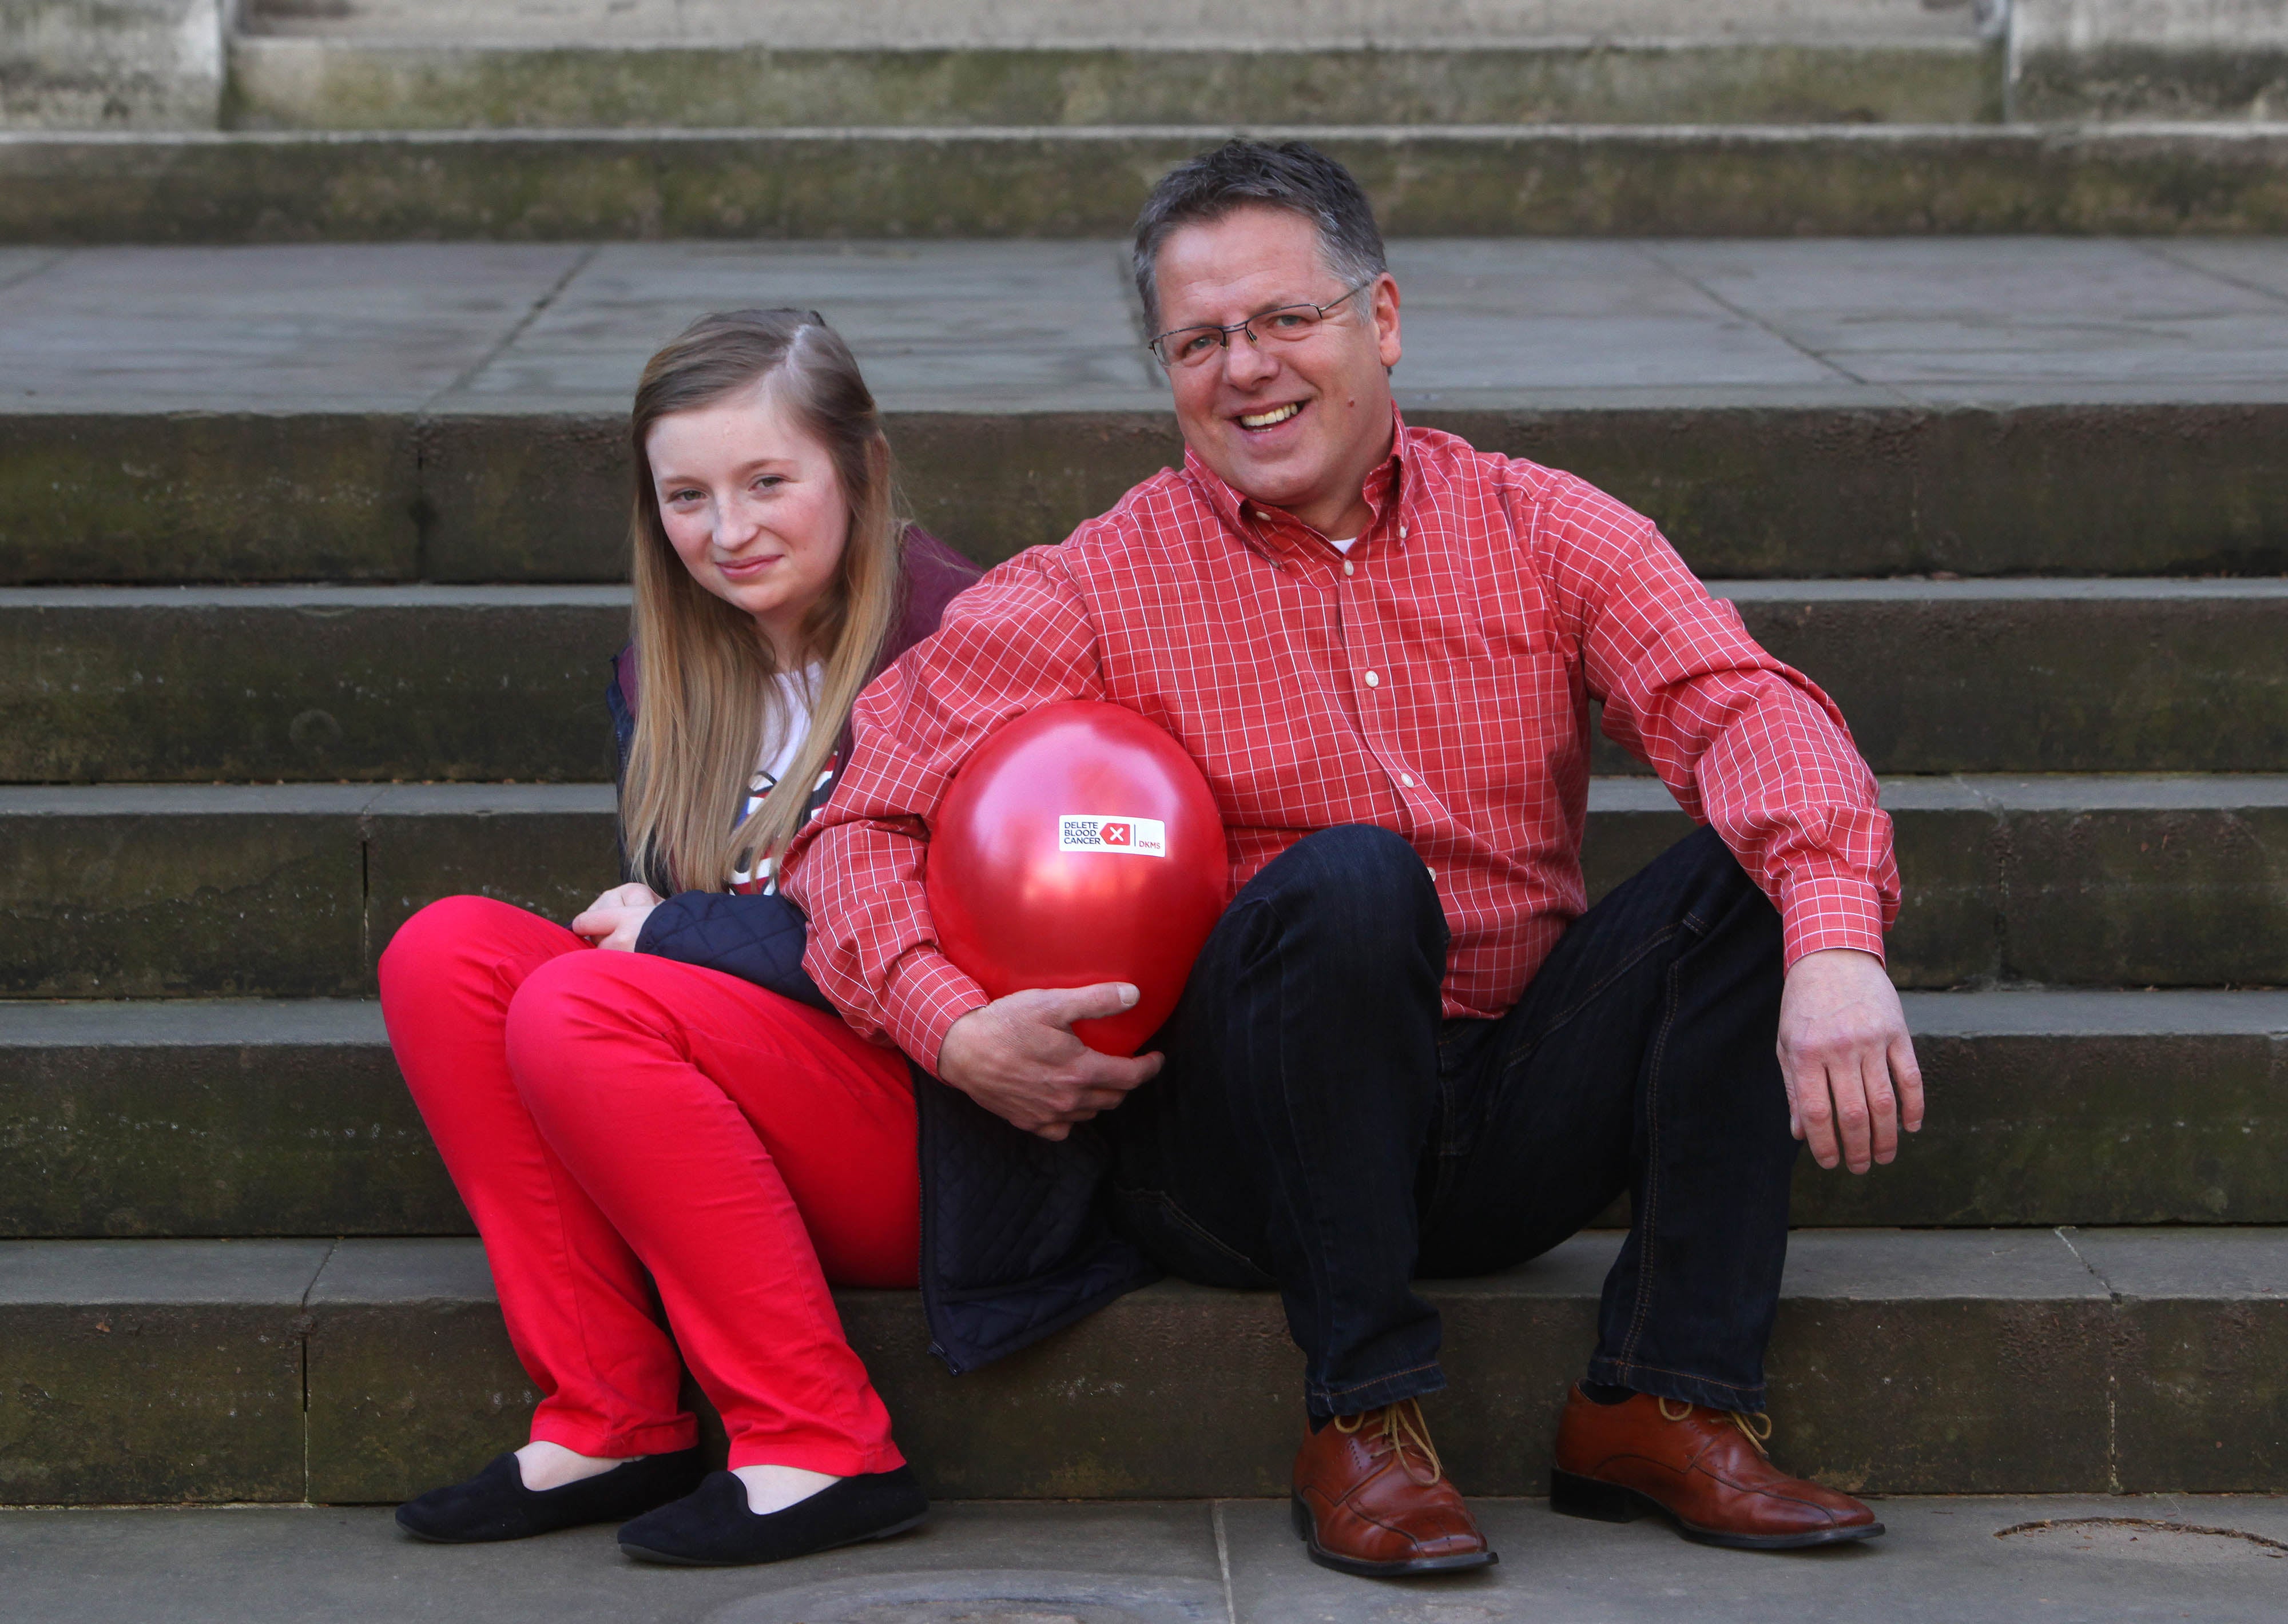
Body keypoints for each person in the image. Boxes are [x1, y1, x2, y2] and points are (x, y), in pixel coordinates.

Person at [782, 142, 1921, 1578]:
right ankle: (1365, 1423)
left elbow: (1744, 707)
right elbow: (857, 821)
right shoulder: (1091, 582)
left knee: (1761, 867)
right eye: (1199, 340)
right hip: (1239, 1147)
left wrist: (1829, 943)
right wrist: (950, 1026)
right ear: (1165, 369)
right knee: (1352, 878)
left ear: (1377, 320)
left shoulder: (1537, 522)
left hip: (1506, 1106)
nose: (1246, 369)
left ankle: (1660, 1400)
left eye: (1284, 320)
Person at [377, 309, 979, 1567]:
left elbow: (938, 953)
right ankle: (608, 1411)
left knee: (581, 1001)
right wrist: (678, 936)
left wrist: (682, 929)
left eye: (768, 481)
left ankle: (819, 1442)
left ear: (860, 469)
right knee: (447, 955)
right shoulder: (669, 674)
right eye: (687, 497)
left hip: (935, 1132)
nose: (729, 530)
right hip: (741, 1113)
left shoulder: (961, 645)